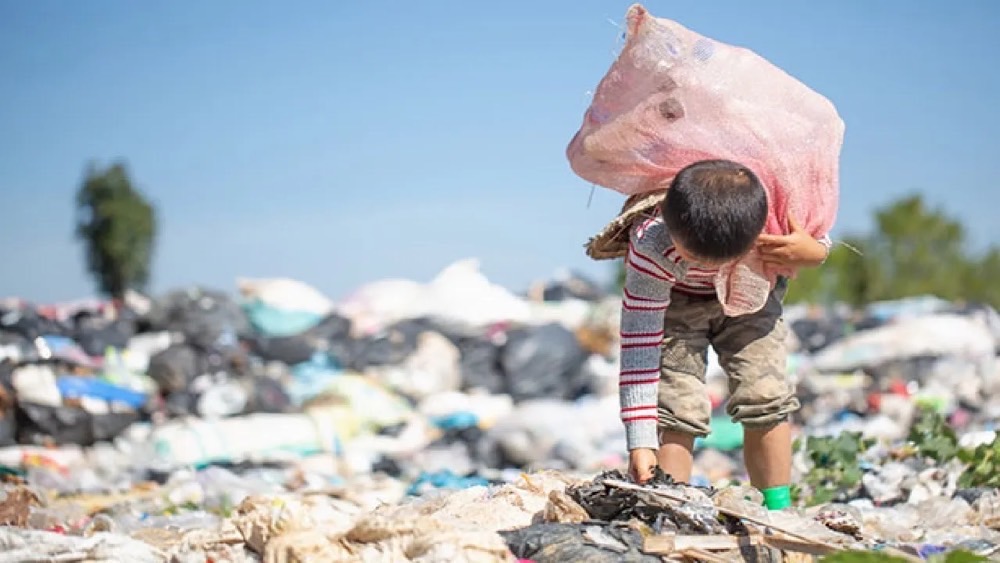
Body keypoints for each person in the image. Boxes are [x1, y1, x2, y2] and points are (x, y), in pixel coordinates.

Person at [619, 158, 831, 511]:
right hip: (677, 302)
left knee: (766, 396)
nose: (706, 268)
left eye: (720, 260)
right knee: (676, 407)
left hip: (753, 296)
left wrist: (816, 252)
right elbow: (639, 347)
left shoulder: (775, 223)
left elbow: (817, 236)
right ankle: (671, 510)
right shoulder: (652, 247)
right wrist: (639, 441)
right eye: (692, 257)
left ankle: (777, 511)